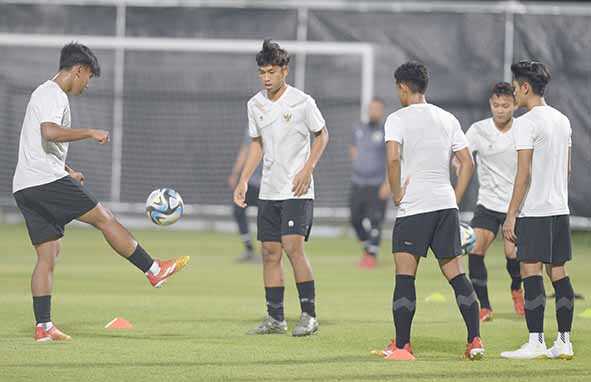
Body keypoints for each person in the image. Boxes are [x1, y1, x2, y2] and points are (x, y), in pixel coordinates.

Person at [12, 43, 190, 342]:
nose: (87, 84)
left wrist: (67, 170)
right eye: (89, 77)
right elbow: (49, 132)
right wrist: (90, 132)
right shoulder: (53, 94)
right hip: (44, 180)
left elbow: (39, 144)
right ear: (78, 70)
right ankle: (154, 269)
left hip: (26, 185)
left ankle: (43, 327)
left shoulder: (44, 93)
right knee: (105, 218)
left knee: (48, 254)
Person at [376, 61, 483, 361]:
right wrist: (454, 197)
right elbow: (467, 163)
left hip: (415, 207)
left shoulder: (397, 119)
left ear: (402, 87)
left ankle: (402, 346)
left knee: (405, 277)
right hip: (445, 206)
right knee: (456, 276)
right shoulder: (446, 118)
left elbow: (394, 160)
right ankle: (475, 340)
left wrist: (397, 193)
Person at [233, 40, 329, 337]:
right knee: (269, 252)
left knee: (292, 248)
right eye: (262, 72)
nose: (266, 78)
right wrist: (243, 179)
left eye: (271, 72)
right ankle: (276, 319)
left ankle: (309, 316)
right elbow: (257, 145)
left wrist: (307, 168)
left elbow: (322, 135)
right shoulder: (255, 104)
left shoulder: (302, 102)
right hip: (269, 191)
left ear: (284, 71)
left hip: (297, 190)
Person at [501, 61, 575, 360]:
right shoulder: (563, 120)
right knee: (558, 272)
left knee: (529, 271)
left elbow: (524, 174)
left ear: (525, 87)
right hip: (560, 208)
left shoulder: (525, 122)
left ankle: (535, 342)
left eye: (515, 87)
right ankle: (564, 342)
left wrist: (511, 214)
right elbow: (567, 169)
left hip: (535, 210)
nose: (514, 92)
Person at [463, 82, 524, 321]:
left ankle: (516, 288)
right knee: (475, 250)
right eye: (496, 105)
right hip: (487, 203)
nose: (500, 110)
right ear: (491, 104)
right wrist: (459, 163)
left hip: (516, 206)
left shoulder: (524, 129)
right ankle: (485, 306)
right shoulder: (478, 130)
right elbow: (462, 155)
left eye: (505, 105)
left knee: (513, 255)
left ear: (515, 105)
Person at [349, 98, 390, 269]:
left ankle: (371, 255)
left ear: (381, 111)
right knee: (355, 219)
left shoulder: (387, 131)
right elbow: (353, 150)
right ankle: (368, 246)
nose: (374, 111)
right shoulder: (358, 128)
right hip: (358, 182)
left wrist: (388, 183)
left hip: (377, 184)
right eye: (371, 108)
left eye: (377, 109)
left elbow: (393, 158)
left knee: (375, 220)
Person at [228, 129, 263, 262]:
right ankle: (249, 248)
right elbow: (245, 150)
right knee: (238, 210)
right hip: (252, 181)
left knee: (266, 216)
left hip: (269, 183)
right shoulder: (252, 124)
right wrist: (236, 173)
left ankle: (264, 251)